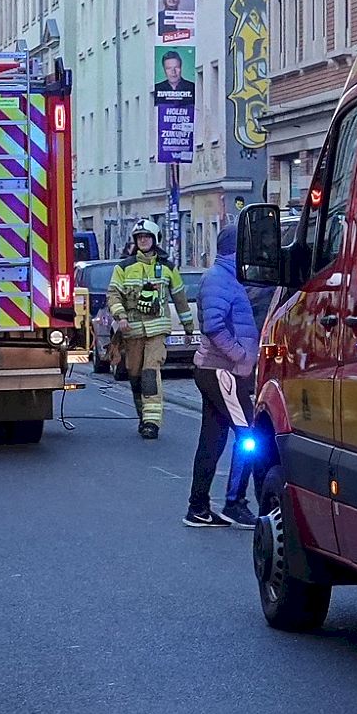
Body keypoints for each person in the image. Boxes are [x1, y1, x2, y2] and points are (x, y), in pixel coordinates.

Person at [187, 218, 261, 528]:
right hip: (223, 371)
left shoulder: (229, 277)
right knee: (250, 437)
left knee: (213, 440)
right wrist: (241, 357)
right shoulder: (221, 278)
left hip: (215, 370)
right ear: (237, 250)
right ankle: (234, 503)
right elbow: (214, 325)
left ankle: (198, 508)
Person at [106, 218, 194, 440]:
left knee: (149, 374)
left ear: (155, 240)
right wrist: (121, 316)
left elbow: (180, 298)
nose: (143, 240)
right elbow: (113, 294)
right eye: (139, 237)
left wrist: (189, 327)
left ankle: (152, 423)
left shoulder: (167, 268)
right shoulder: (123, 268)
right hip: (132, 331)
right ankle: (143, 416)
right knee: (135, 377)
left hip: (157, 332)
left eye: (147, 237)